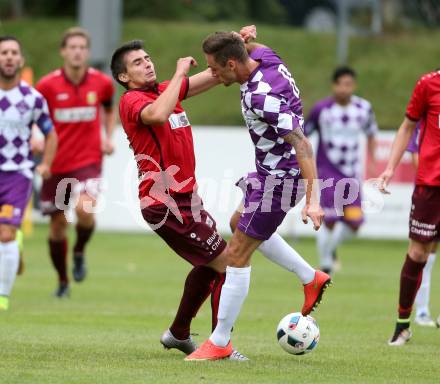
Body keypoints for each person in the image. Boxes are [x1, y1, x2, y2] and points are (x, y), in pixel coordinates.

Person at [111, 27, 328, 361]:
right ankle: (220, 345)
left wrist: (237, 45)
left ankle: (179, 333)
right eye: (138, 63)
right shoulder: (132, 101)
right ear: (124, 77)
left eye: (148, 58)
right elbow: (158, 114)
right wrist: (181, 73)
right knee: (227, 263)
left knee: (218, 255)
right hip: (165, 203)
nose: (148, 64)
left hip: (188, 199)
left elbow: (219, 74)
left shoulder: (171, 90)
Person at [185, 29, 331, 361]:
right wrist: (245, 35)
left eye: (216, 68)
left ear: (233, 63)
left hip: (278, 182)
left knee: (236, 254)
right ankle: (311, 277)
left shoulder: (259, 96)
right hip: (268, 176)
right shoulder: (267, 58)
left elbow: (303, 144)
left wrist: (314, 199)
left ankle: (220, 342)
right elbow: (254, 45)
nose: (213, 74)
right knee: (239, 222)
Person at [36, 27, 116, 297]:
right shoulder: (47, 85)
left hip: (88, 160)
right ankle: (62, 281)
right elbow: (35, 117)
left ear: (88, 52)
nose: (78, 51)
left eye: (82, 47)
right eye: (73, 47)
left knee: (85, 209)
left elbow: (108, 108)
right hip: (56, 163)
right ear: (63, 51)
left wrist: (108, 137)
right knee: (58, 227)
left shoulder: (101, 83)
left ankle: (79, 250)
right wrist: (36, 136)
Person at [378, 69, 440, 345]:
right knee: (418, 252)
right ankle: (403, 325)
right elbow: (407, 126)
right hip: (432, 185)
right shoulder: (428, 84)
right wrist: (390, 167)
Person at [0, 35, 57, 310]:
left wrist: (45, 163)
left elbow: (50, 134)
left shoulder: (32, 98)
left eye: (13, 53)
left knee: (6, 233)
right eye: (4, 53)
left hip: (17, 174)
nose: (9, 57)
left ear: (20, 60)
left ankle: (2, 296)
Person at [305, 67, 378, 274]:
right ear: (334, 85)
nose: (345, 89)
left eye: (349, 84)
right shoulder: (322, 109)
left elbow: (372, 133)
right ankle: (326, 264)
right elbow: (303, 136)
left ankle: (329, 253)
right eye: (341, 84)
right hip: (328, 172)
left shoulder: (363, 108)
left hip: (352, 174)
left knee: (355, 222)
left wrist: (372, 161)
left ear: (353, 86)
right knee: (329, 220)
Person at [405, 123, 437, 327]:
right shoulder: (424, 120)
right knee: (425, 250)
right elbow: (416, 155)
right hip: (431, 192)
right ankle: (422, 310)